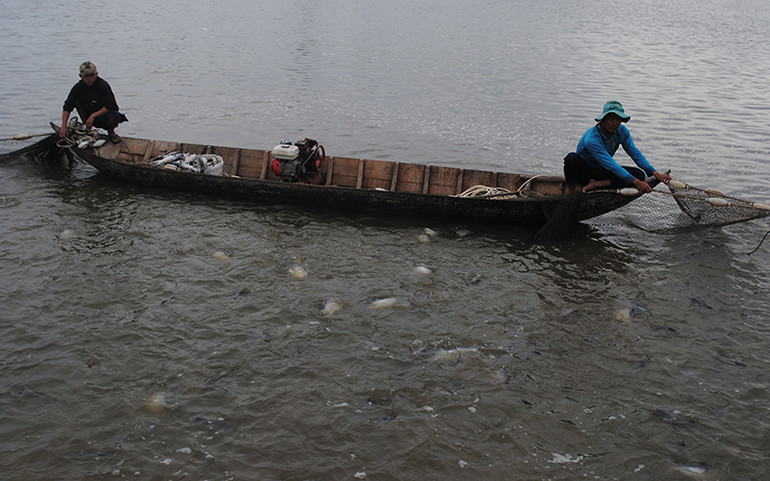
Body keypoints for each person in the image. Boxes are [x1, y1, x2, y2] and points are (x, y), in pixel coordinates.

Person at [563, 100, 670, 193]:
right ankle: (571, 191)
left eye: (618, 119)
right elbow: (610, 164)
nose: (614, 123)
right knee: (571, 158)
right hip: (584, 171)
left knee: (639, 174)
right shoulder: (592, 139)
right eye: (611, 119)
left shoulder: (622, 131)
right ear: (603, 119)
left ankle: (598, 184)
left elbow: (634, 153)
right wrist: (636, 183)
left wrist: (655, 173)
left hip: (601, 171)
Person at [60, 61, 127, 143]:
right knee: (76, 101)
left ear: (96, 74)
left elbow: (111, 105)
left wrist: (93, 116)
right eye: (86, 76)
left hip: (104, 116)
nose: (89, 79)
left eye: (91, 75)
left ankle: (111, 132)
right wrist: (64, 126)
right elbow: (67, 107)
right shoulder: (78, 88)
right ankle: (87, 129)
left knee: (114, 116)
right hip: (87, 117)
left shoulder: (103, 85)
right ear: (81, 76)